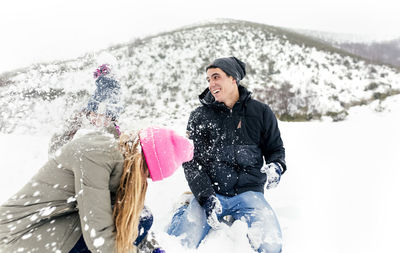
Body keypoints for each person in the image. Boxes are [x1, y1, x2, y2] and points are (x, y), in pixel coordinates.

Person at [0, 127, 194, 253]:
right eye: (147, 172)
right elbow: (99, 235)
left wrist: (153, 249)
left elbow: (129, 219)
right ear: (143, 158)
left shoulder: (121, 159)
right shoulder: (97, 156)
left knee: (142, 217)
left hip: (54, 225)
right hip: (19, 236)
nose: (144, 179)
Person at [167, 57, 286, 253]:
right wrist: (206, 197)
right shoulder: (199, 116)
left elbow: (275, 149)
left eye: (216, 77)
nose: (211, 84)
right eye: (208, 79)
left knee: (271, 246)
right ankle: (183, 207)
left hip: (250, 194)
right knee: (181, 243)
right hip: (212, 193)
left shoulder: (261, 112)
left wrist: (277, 166)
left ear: (234, 79)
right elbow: (191, 162)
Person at [48, 63, 123, 157]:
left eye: (107, 117)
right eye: (95, 114)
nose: (100, 120)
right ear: (89, 111)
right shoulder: (76, 123)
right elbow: (55, 148)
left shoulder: (114, 132)